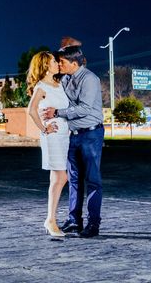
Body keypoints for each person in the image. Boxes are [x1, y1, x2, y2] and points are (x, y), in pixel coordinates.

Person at [42, 44, 104, 238]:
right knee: (74, 179)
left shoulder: (90, 79)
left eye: (62, 62)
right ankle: (74, 220)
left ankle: (93, 223)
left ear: (74, 63)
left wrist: (58, 112)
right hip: (73, 135)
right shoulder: (65, 79)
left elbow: (85, 108)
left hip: (91, 135)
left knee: (92, 180)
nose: (59, 65)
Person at [26, 51, 69, 238]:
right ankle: (50, 219)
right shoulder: (42, 86)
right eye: (53, 61)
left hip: (65, 135)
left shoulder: (59, 84)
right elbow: (31, 110)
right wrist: (43, 129)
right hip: (52, 137)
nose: (57, 63)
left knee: (59, 177)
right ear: (45, 65)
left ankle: (51, 219)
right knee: (61, 176)